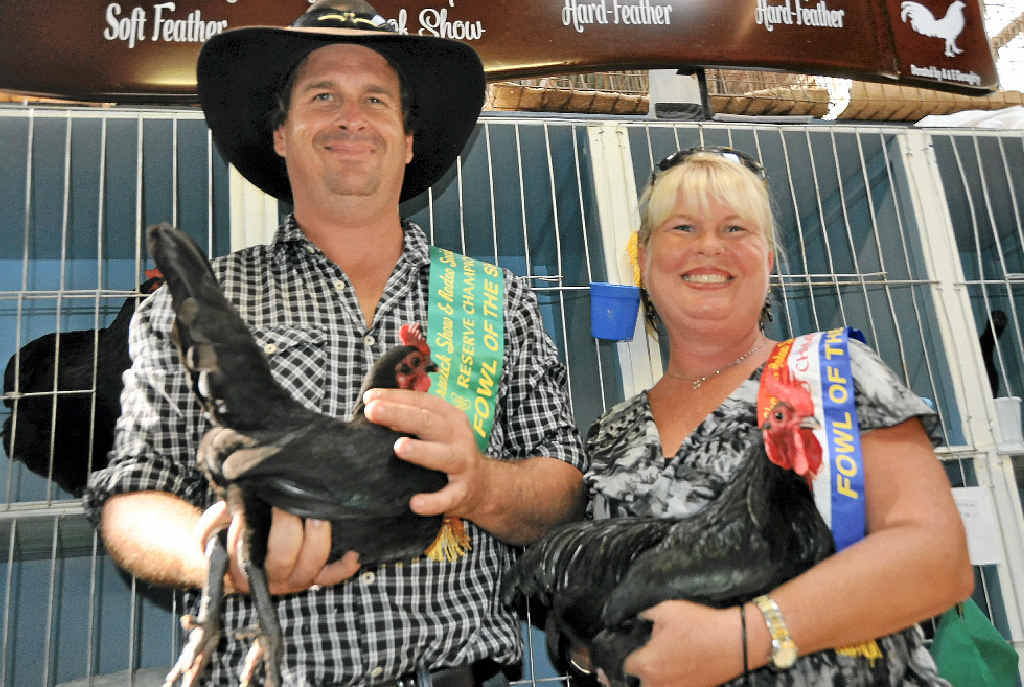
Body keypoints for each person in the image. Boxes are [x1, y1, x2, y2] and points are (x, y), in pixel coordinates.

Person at [84, 1, 586, 685]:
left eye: (375, 99)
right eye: (323, 96)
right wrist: (226, 548)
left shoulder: (498, 300)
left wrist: (481, 482)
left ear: (408, 140)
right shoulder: (191, 302)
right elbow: (131, 497)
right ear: (282, 133)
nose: (351, 116)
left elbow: (564, 489)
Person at [581, 147, 973, 686]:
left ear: (768, 258)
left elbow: (937, 559)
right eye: (683, 227)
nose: (710, 246)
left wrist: (741, 638)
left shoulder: (833, 371)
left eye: (737, 228)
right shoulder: (611, 433)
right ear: (643, 259)